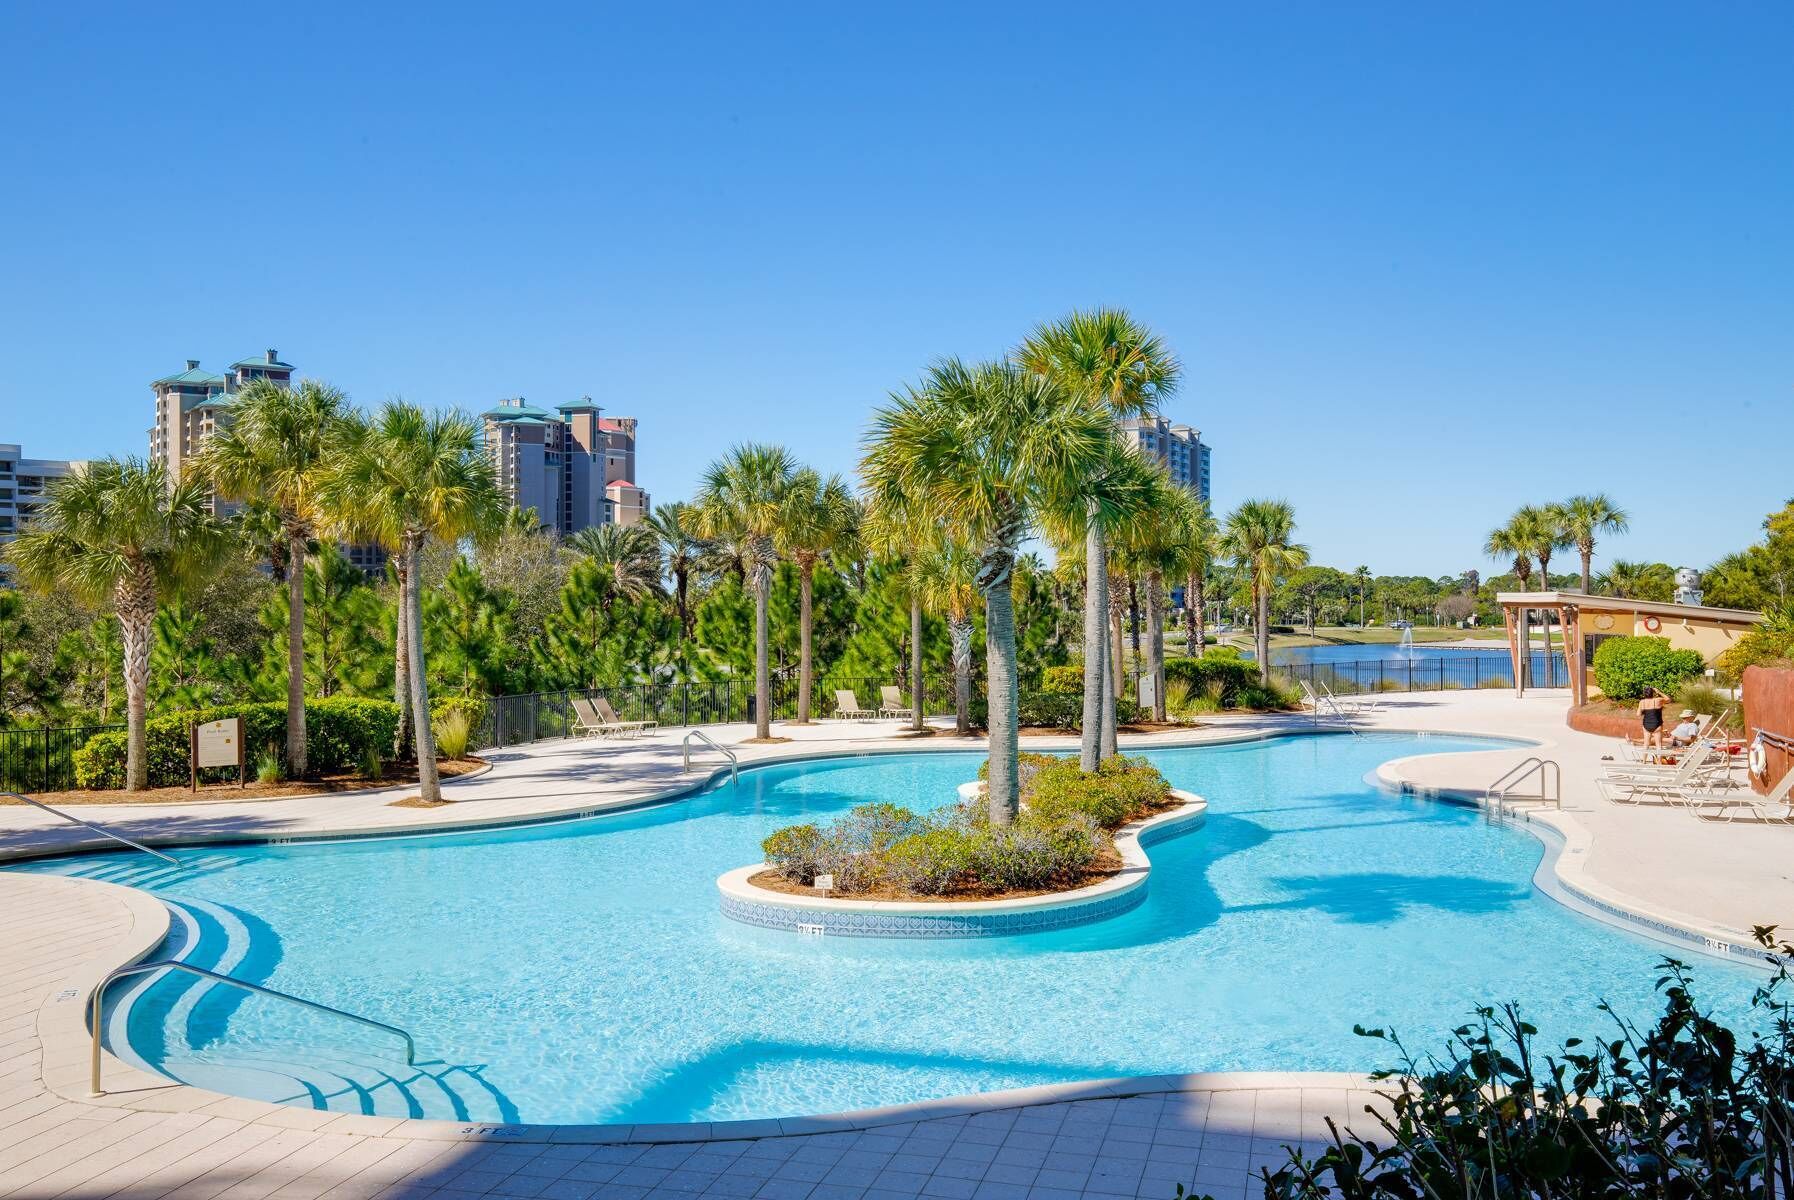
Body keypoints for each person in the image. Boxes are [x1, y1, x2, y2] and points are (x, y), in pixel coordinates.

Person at [1637, 686, 1667, 752]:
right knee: (1658, 745)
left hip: (1646, 724)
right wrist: (1659, 692)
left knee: (1646, 744)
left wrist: (1645, 711)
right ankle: (1659, 760)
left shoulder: (1642, 702)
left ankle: (1644, 761)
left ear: (1644, 694)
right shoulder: (1658, 700)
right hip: (1657, 724)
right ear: (1652, 693)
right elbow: (1668, 699)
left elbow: (1638, 714)